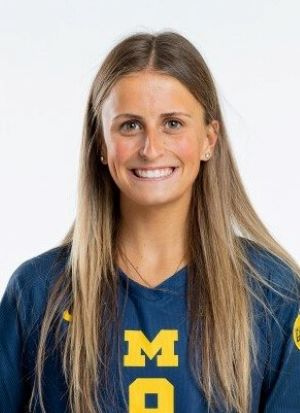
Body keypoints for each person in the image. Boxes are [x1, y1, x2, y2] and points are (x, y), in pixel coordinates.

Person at [0, 30, 299, 413]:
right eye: (130, 125)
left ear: (210, 138)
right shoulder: (38, 294)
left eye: (172, 123)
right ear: (100, 146)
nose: (151, 148)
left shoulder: (271, 293)